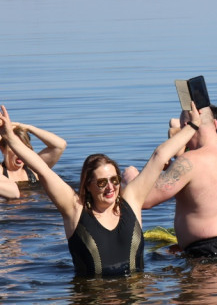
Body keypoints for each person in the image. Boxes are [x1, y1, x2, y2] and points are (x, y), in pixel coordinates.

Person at [0, 103, 203, 276]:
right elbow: (42, 170)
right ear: (87, 185)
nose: (110, 188)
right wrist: (10, 137)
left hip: (133, 303)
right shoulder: (75, 210)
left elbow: (159, 157)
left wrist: (192, 126)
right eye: (101, 182)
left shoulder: (132, 199)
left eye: (114, 180)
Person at [143, 105, 217, 259]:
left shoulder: (189, 161)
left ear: (186, 128)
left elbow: (145, 200)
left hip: (207, 251)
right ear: (215, 124)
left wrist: (131, 180)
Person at [1, 118, 66, 183]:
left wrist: (28, 128)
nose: (21, 151)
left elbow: (59, 145)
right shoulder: (1, 172)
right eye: (15, 147)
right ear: (2, 149)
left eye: (25, 147)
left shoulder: (34, 168)